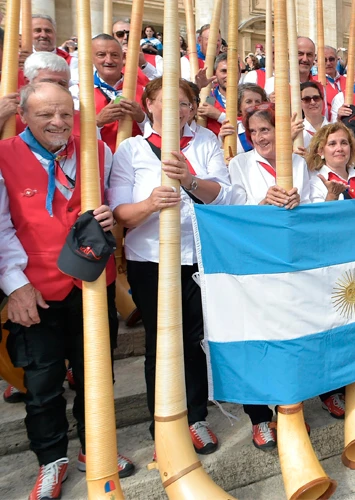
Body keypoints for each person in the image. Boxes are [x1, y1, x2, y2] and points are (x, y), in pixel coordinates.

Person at [0, 82, 136, 500]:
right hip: (35, 290)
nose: (58, 122)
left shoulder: (97, 150)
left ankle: (93, 449)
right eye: (45, 115)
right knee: (42, 385)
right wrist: (15, 286)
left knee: (97, 374)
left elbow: (114, 207)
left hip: (93, 283)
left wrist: (111, 218)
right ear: (24, 116)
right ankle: (51, 460)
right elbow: (2, 227)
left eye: (64, 113)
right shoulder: (4, 156)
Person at [110, 77, 231, 457]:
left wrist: (189, 179)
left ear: (192, 110)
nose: (174, 110)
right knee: (160, 343)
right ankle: (163, 421)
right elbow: (120, 213)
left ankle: (195, 416)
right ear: (149, 104)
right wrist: (149, 204)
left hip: (198, 255)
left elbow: (224, 195)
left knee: (195, 340)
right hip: (150, 259)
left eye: (183, 103)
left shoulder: (205, 143)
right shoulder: (131, 149)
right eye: (166, 101)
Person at [227, 103, 311, 446]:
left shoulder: (298, 162)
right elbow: (232, 209)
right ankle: (259, 417)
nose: (261, 137)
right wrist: (263, 204)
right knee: (256, 338)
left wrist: (296, 202)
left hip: (291, 260)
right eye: (254, 132)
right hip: (253, 262)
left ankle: (292, 405)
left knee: (291, 335)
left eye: (267, 129)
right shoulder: (238, 163)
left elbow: (310, 205)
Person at [305, 122, 355, 417]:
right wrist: (330, 197)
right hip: (328, 264)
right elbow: (312, 226)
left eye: (344, 143)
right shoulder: (314, 180)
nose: (339, 148)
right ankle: (329, 392)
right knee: (330, 327)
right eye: (333, 144)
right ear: (321, 151)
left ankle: (353, 383)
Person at [69, 34, 147, 153]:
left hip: (136, 161)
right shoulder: (77, 92)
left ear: (123, 58)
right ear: (91, 58)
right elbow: (69, 134)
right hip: (96, 162)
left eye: (115, 55)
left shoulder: (144, 91)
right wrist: (98, 122)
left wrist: (141, 118)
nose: (109, 60)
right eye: (101, 55)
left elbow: (161, 132)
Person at [297, 81, 331, 153]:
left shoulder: (334, 129)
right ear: (300, 103)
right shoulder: (297, 133)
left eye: (316, 98)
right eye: (307, 99)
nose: (313, 102)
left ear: (322, 100)